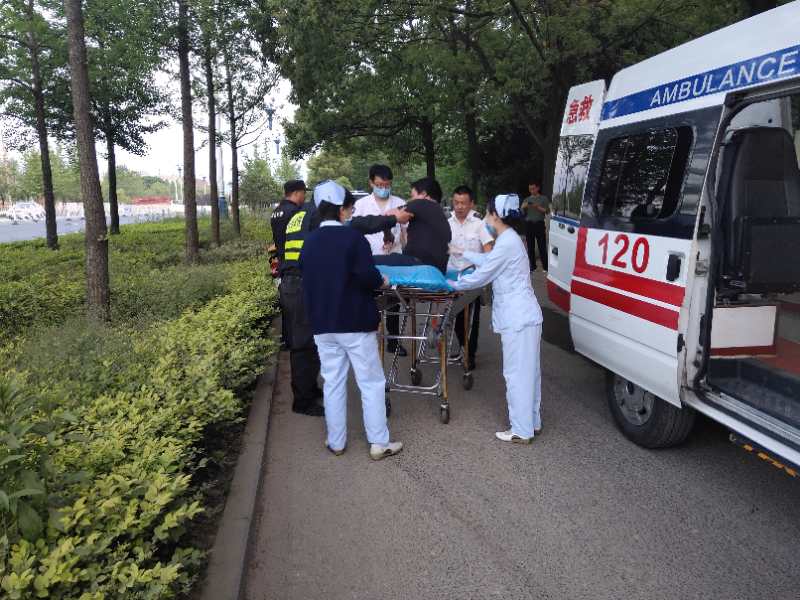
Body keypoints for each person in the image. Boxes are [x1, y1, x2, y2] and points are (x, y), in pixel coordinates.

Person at [275, 179, 412, 417]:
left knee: (306, 342)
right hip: (300, 283)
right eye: (345, 207)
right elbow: (358, 225)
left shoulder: (301, 213)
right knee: (304, 344)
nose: (347, 213)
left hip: (292, 281)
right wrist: (392, 219)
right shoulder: (318, 217)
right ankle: (303, 401)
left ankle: (309, 390)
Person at [300, 180, 403, 460]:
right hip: (355, 321)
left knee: (333, 382)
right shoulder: (353, 239)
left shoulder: (309, 243)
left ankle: (336, 442)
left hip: (323, 325)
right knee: (370, 382)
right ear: (342, 210)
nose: (351, 212)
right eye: (349, 208)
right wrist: (382, 281)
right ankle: (379, 442)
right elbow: (368, 277)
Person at [450, 193, 543, 443]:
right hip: (525, 316)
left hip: (518, 318)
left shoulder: (507, 242)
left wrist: (454, 284)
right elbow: (489, 260)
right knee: (529, 373)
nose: (486, 219)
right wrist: (463, 252)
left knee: (517, 374)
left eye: (488, 213)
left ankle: (521, 430)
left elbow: (484, 274)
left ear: (496, 215)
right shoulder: (509, 239)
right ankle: (532, 422)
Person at [353, 164, 408, 356]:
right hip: (369, 261)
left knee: (394, 302)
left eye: (387, 185)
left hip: (394, 259)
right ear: (371, 183)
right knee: (369, 303)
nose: (383, 188)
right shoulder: (361, 206)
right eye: (379, 185)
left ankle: (393, 341)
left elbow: (406, 232)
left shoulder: (400, 203)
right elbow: (355, 233)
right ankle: (368, 342)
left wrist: (401, 246)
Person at [447, 185, 493, 370]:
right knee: (456, 316)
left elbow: (489, 250)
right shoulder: (446, 223)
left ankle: (470, 354)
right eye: (456, 202)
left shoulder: (479, 224)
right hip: (452, 277)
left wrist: (484, 273)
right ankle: (463, 347)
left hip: (473, 278)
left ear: (471, 204)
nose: (459, 206)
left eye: (463, 203)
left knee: (472, 318)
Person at [402, 177, 451, 274]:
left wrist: (387, 234)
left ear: (424, 194)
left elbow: (390, 214)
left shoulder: (421, 204)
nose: (411, 200)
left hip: (418, 269)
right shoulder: (440, 215)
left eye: (413, 196)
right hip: (437, 271)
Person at [521, 179, 550, 272]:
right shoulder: (527, 199)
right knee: (530, 247)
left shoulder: (544, 198)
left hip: (539, 224)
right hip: (529, 224)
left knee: (542, 246)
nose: (531, 191)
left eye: (533, 189)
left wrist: (537, 206)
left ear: (538, 188)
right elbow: (522, 212)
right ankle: (532, 266)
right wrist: (523, 207)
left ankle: (545, 267)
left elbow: (547, 211)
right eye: (530, 189)